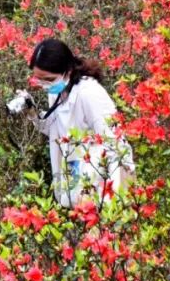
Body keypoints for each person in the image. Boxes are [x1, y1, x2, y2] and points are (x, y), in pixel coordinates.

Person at [9, 37, 136, 209]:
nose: (44, 85)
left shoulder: (89, 93)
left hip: (103, 186)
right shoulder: (58, 90)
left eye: (48, 79)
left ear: (67, 71)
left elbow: (115, 142)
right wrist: (32, 112)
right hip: (77, 178)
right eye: (39, 79)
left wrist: (115, 202)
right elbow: (56, 129)